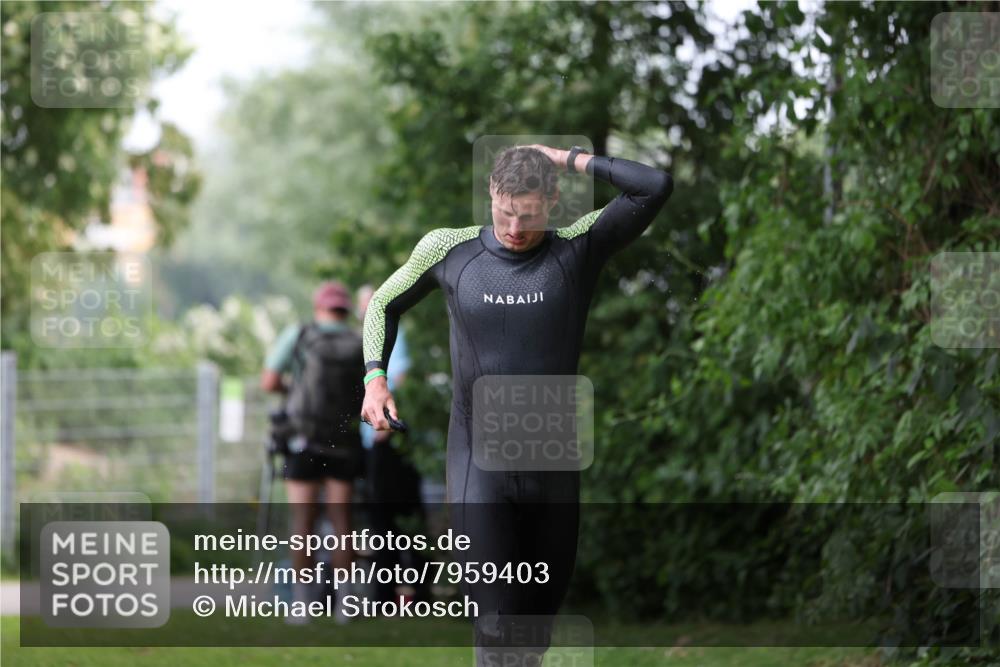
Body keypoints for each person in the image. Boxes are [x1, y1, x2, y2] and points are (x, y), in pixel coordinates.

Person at [360, 144, 673, 663]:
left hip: (552, 464)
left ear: (552, 202)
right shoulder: (450, 249)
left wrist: (567, 158)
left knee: (532, 632)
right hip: (478, 464)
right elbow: (383, 304)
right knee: (498, 621)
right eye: (505, 212)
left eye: (528, 215)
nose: (513, 227)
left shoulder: (577, 246)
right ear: (491, 194)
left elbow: (654, 186)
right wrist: (375, 377)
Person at [261, 280, 364, 623]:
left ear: (319, 306)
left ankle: (302, 605)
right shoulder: (359, 340)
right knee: (341, 522)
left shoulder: (301, 334)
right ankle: (345, 607)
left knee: (302, 522)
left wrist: (296, 390)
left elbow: (269, 381)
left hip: (303, 438)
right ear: (345, 309)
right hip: (345, 441)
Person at [356, 285, 426, 605]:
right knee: (387, 521)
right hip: (377, 443)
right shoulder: (366, 342)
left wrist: (384, 424)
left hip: (389, 441)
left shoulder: (390, 336)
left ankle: (406, 595)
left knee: (394, 519)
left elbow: (401, 377)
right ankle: (389, 595)